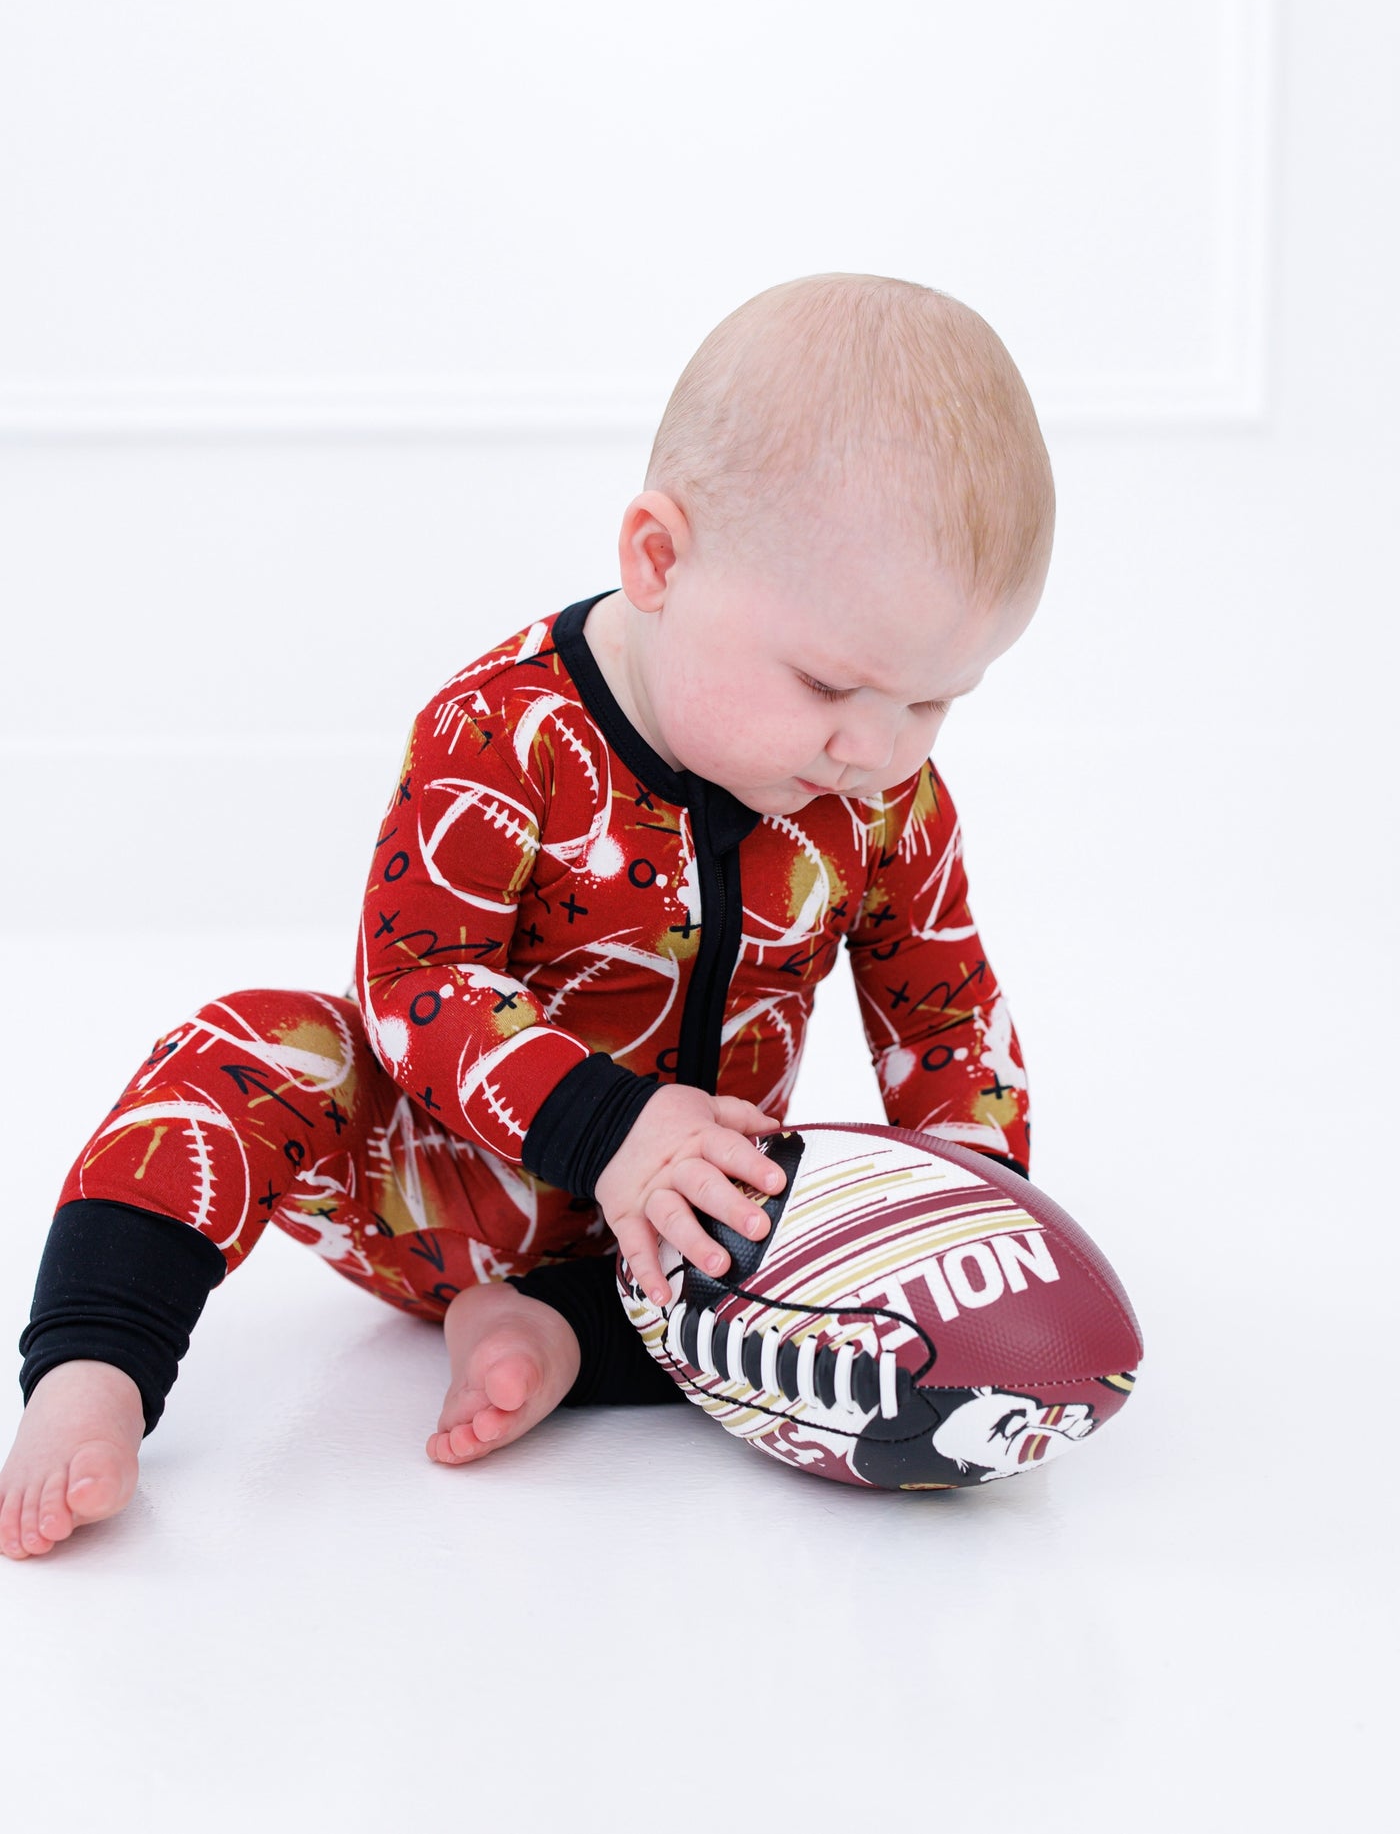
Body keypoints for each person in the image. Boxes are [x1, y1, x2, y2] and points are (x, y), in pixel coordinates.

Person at [1, 273, 1053, 1558]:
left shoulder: (884, 801)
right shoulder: (503, 732)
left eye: (937, 701)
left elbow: (943, 1008)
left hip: (690, 1225)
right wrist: (609, 1127)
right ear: (658, 560)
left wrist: (974, 1220)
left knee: (829, 1254)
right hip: (433, 1183)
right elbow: (410, 982)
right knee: (243, 1048)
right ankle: (93, 1371)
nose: (874, 747)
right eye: (833, 682)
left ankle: (561, 1334)